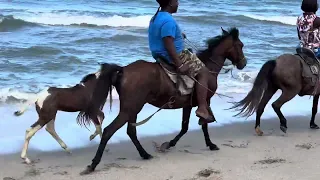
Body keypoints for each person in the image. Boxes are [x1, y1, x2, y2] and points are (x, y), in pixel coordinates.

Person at [148, 0, 214, 124]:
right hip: (173, 55)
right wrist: (179, 64)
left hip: (158, 54)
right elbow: (168, 42)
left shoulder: (157, 16)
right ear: (170, 3)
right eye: (176, 1)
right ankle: (202, 108)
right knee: (204, 71)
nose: (178, 3)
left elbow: (163, 34)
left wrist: (178, 35)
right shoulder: (168, 21)